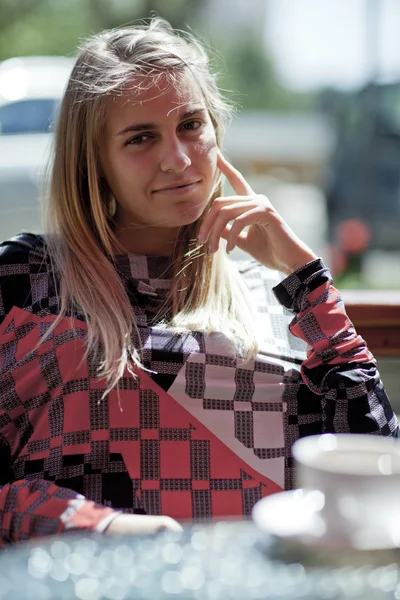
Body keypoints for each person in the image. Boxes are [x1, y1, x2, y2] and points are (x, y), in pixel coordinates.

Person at [0, 18, 397, 547]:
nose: (179, 158)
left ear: (216, 129)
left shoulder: (279, 294)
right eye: (141, 138)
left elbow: (374, 475)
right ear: (95, 162)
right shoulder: (27, 279)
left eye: (190, 124)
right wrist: (100, 526)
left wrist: (308, 279)